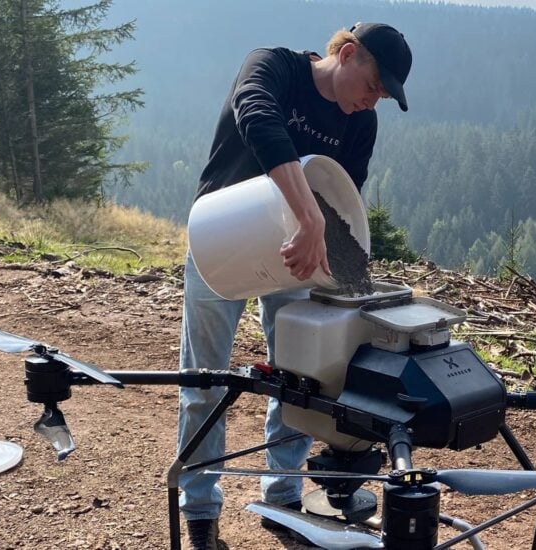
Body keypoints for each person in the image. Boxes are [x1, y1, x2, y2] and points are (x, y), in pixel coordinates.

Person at [177, 22, 412, 550]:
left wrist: (330, 251)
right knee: (203, 383)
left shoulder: (361, 125)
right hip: (221, 239)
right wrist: (309, 218)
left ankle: (282, 502)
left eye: (382, 96)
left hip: (297, 263)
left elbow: (343, 202)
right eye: (373, 85)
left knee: (299, 382)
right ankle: (200, 515)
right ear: (347, 54)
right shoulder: (274, 67)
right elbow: (257, 119)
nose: (372, 101)